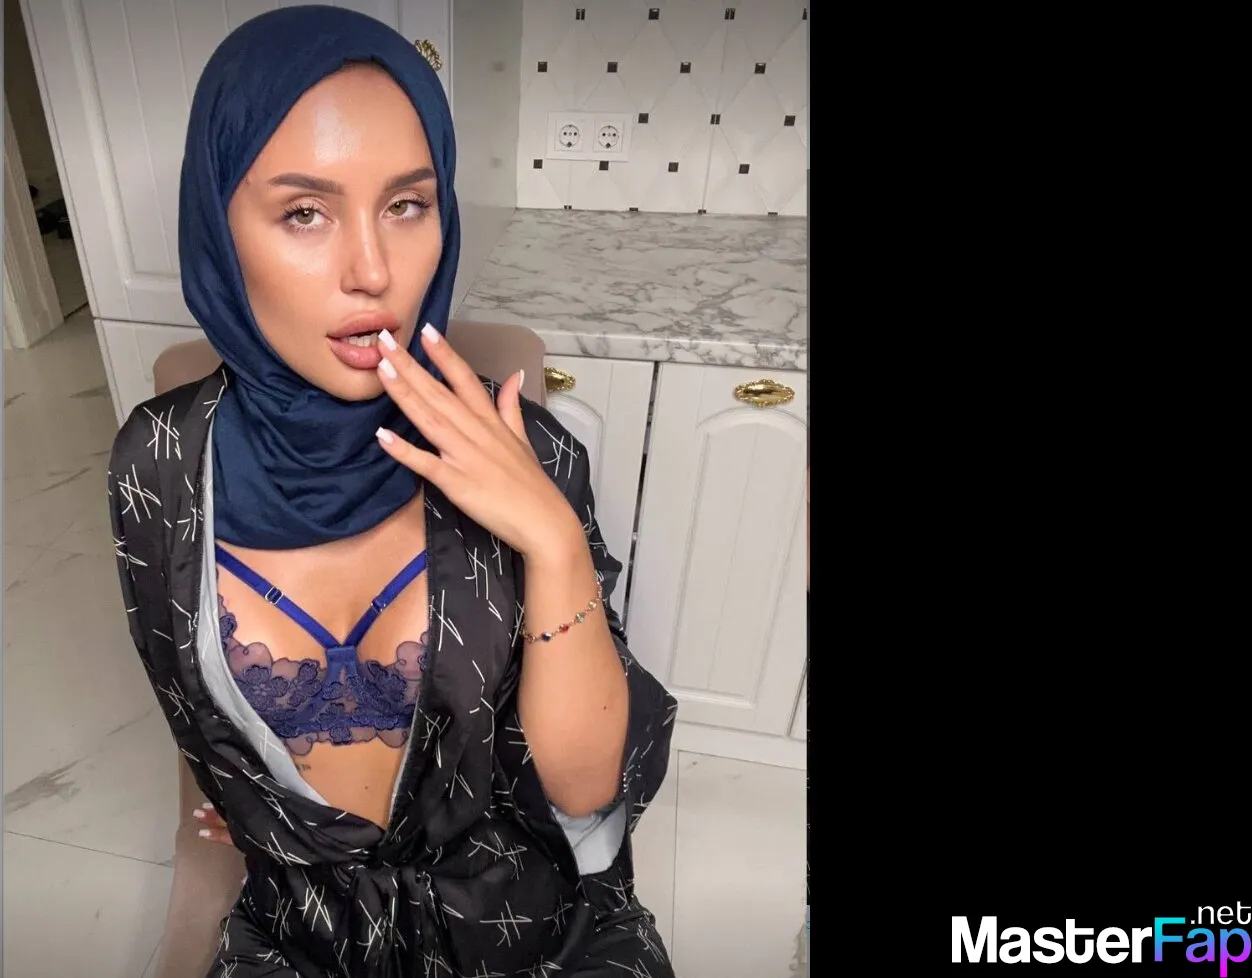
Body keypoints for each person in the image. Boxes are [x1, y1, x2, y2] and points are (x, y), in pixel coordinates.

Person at [106, 7, 676, 977]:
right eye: (304, 213)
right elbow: (199, 722)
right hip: (306, 937)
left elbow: (584, 796)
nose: (373, 272)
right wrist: (257, 790)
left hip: (528, 931)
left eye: (408, 205)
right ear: (218, 230)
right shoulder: (156, 465)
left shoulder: (526, 451)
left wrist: (552, 541)